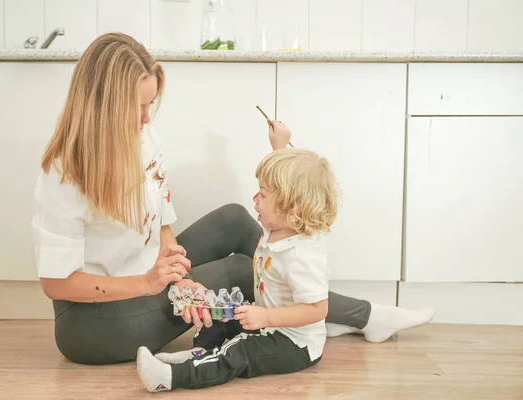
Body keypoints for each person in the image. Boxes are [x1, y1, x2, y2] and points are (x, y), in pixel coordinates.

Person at [31, 32, 435, 366]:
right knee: (244, 271)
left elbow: (162, 223)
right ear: (102, 106)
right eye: (136, 106)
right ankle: (347, 315)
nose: (146, 117)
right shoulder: (64, 173)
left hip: (151, 276)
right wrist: (148, 282)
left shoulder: (142, 138)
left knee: (237, 220)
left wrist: (178, 276)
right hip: (91, 323)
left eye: (150, 104)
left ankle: (337, 314)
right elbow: (56, 282)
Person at [136, 147, 338, 392]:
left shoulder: (302, 256)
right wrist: (279, 146)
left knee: (240, 350)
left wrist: (267, 317)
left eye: (262, 195)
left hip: (295, 343)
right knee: (222, 316)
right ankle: (201, 353)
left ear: (289, 206)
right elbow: (292, 182)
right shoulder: (281, 228)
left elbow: (318, 309)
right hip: (268, 320)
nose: (254, 199)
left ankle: (172, 377)